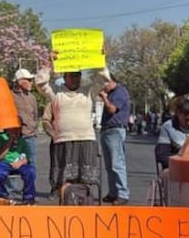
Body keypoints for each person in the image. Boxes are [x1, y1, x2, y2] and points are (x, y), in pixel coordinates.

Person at [37, 60, 108, 196]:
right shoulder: (56, 93)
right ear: (65, 78)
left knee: (85, 181)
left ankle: (84, 210)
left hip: (86, 140)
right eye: (72, 75)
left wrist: (101, 60)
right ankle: (66, 210)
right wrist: (48, 66)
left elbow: (103, 79)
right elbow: (41, 84)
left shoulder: (88, 91)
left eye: (78, 75)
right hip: (63, 142)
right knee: (64, 181)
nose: (76, 78)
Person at [98, 72, 131, 204]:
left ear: (111, 81)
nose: (103, 87)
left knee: (117, 163)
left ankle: (123, 193)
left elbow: (112, 109)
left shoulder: (120, 92)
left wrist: (104, 98)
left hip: (115, 130)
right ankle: (113, 192)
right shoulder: (111, 93)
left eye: (104, 83)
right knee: (109, 165)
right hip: (106, 129)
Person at [0, 127, 36, 205]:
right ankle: (3, 195)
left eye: (18, 129)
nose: (16, 131)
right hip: (4, 162)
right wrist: (10, 141)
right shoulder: (1, 138)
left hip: (19, 162)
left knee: (31, 171)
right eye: (14, 129)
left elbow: (27, 158)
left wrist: (20, 162)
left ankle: (28, 197)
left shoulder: (23, 141)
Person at [155, 96, 189, 170]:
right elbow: (162, 156)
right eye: (186, 120)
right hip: (175, 170)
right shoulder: (168, 127)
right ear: (179, 114)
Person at [11, 68, 40, 169]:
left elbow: (36, 116)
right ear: (20, 81)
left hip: (29, 137)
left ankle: (30, 185)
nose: (31, 83)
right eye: (29, 80)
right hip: (14, 138)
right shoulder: (10, 96)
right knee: (11, 164)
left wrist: (33, 130)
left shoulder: (31, 97)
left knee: (31, 165)